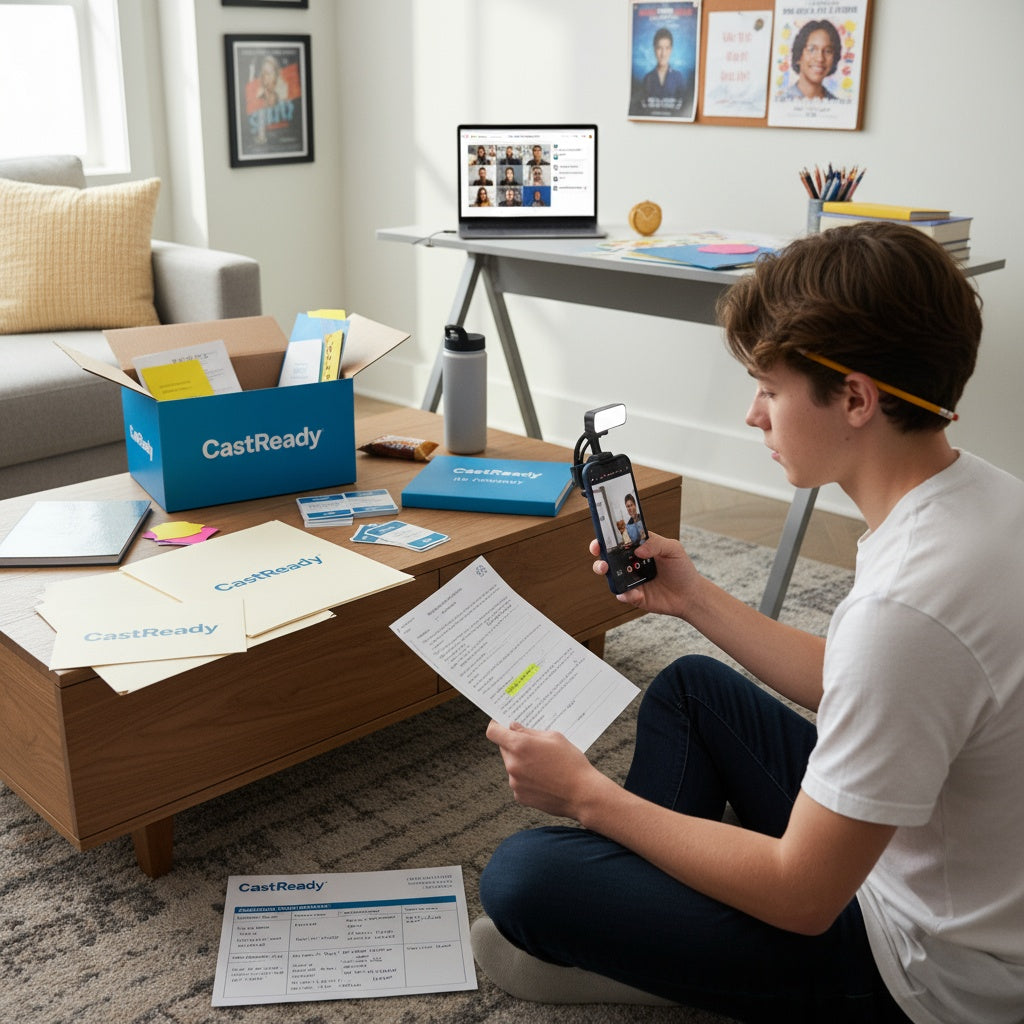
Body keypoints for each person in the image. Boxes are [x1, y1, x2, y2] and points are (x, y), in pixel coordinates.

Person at [474, 222, 1024, 1023]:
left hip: (922, 968)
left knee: (523, 875)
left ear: (857, 398)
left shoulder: (906, 611)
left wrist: (590, 797)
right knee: (693, 690)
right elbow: (868, 683)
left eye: (770, 388)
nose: (752, 415)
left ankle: (654, 950)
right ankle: (661, 920)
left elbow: (803, 894)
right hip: (942, 859)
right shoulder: (984, 497)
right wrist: (693, 595)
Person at [633, 26, 693, 117]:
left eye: (667, 48)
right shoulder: (647, 78)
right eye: (659, 48)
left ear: (671, 50)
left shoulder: (678, 77)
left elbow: (683, 108)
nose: (663, 54)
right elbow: (643, 110)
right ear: (654, 49)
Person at [786, 20, 842, 100]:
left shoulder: (836, 104)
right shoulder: (782, 101)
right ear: (799, 55)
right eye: (812, 49)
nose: (820, 58)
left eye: (827, 51)